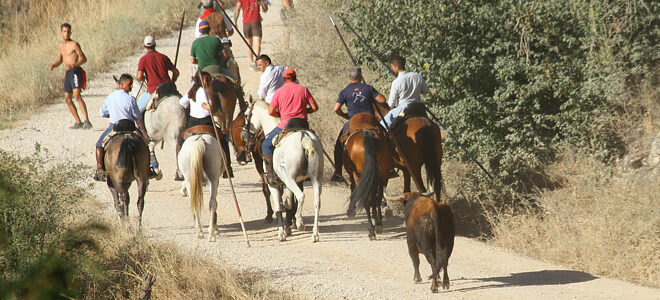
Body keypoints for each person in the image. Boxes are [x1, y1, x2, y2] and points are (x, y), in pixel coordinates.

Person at [94, 74, 157, 181]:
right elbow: (137, 116)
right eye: (129, 84)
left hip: (115, 127)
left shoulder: (110, 97)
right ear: (121, 84)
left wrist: (110, 114)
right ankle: (148, 169)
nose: (131, 87)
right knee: (145, 143)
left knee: (99, 145)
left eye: (131, 84)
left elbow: (102, 113)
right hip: (130, 127)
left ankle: (100, 170)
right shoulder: (131, 98)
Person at [261, 68, 318, 184]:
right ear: (295, 77)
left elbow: (271, 111)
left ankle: (271, 174)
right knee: (315, 142)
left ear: (283, 79)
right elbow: (314, 107)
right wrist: (304, 112)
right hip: (302, 124)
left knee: (266, 145)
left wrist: (281, 114)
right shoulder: (304, 90)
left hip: (285, 125)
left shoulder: (279, 92)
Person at [330, 67, 387, 182]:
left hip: (353, 120)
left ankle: (338, 172)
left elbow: (336, 109)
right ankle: (390, 167)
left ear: (349, 78)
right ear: (360, 76)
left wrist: (344, 115)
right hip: (370, 120)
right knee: (387, 138)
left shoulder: (345, 91)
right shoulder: (368, 88)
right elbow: (382, 100)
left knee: (338, 145)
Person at [179, 72, 234, 177]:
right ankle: (228, 168)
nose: (209, 82)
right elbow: (207, 105)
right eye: (207, 80)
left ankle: (180, 168)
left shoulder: (191, 91)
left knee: (181, 141)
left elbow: (182, 103)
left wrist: (192, 107)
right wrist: (206, 106)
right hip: (206, 121)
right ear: (201, 81)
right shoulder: (205, 91)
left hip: (193, 122)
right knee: (222, 140)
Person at [49, 23, 92, 129]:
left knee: (77, 95)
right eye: (64, 31)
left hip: (75, 71)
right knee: (67, 99)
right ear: (61, 33)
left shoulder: (74, 44)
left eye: (68, 31)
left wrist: (75, 64)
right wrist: (54, 65)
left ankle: (86, 120)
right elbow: (60, 60)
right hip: (68, 73)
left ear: (71, 32)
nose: (66, 33)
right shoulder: (61, 45)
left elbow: (83, 58)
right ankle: (78, 122)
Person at [380, 55, 430, 128]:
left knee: (382, 125)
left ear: (396, 67)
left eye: (393, 67)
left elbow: (391, 103)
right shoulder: (417, 76)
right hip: (419, 107)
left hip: (404, 109)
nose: (392, 69)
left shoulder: (396, 82)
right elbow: (426, 91)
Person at [136, 35, 180, 113]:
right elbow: (176, 72)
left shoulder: (143, 60)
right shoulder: (163, 57)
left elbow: (139, 76)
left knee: (136, 111)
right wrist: (172, 82)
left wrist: (144, 79)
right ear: (155, 45)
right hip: (169, 89)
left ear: (144, 46)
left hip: (154, 90)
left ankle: (141, 126)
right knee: (185, 105)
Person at [234, 0, 268, 70]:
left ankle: (251, 62)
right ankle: (256, 62)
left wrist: (235, 22)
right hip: (256, 21)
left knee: (249, 44)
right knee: (257, 44)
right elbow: (265, 9)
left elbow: (237, 9)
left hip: (246, 23)